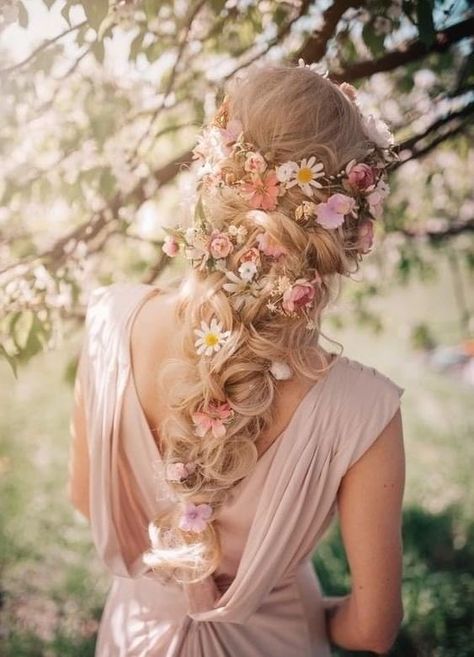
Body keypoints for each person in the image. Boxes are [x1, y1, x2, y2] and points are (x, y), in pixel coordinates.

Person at [69, 62, 406, 657]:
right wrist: (302, 608)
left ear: (212, 176)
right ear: (350, 224)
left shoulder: (110, 322)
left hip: (135, 636)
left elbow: (83, 496)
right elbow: (373, 629)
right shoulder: (365, 412)